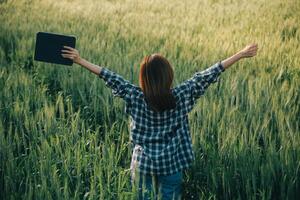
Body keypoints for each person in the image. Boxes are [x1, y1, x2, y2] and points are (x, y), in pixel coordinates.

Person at [61, 43, 258, 199]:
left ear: (143, 78)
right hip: (172, 164)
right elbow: (209, 74)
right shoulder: (182, 95)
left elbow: (109, 76)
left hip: (142, 165)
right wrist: (240, 54)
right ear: (169, 76)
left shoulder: (134, 96)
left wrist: (79, 60)